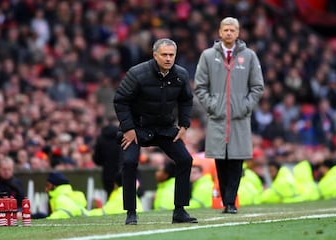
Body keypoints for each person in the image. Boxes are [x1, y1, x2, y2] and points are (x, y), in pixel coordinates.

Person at [113, 38, 197, 225]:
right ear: (155, 55)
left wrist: (184, 126)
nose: (168, 58)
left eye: (171, 55)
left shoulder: (181, 75)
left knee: (185, 159)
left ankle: (180, 211)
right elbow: (120, 100)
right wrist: (128, 128)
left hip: (165, 128)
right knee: (129, 162)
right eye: (164, 55)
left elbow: (186, 100)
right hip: (137, 128)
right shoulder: (137, 73)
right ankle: (131, 213)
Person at [194, 17, 264, 214]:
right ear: (219, 32)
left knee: (236, 160)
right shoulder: (208, 56)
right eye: (225, 30)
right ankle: (227, 201)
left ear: (238, 33)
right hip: (217, 118)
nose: (229, 33)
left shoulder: (249, 56)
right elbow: (200, 86)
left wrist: (245, 107)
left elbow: (257, 86)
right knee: (220, 160)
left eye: (232, 30)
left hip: (240, 119)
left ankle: (230, 202)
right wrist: (212, 105)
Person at [93, 116, 123, 197]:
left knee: (111, 196)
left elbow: (97, 159)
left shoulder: (101, 138)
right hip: (123, 172)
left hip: (107, 174)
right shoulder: (124, 136)